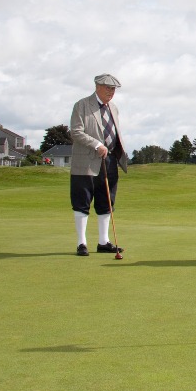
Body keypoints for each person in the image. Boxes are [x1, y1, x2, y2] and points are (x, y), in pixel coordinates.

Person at [69, 74, 128, 256]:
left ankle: (103, 242)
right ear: (97, 87)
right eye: (108, 88)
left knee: (106, 201)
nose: (111, 92)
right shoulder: (82, 105)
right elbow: (76, 132)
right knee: (82, 201)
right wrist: (96, 144)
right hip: (85, 161)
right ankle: (81, 243)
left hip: (109, 160)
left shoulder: (113, 108)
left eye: (113, 89)